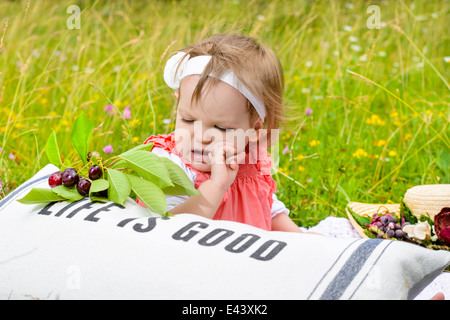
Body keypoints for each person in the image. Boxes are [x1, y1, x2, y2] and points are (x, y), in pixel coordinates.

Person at [137, 34, 302, 233]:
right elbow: (166, 230)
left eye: (221, 128)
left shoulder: (248, 163)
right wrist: (216, 186)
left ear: (255, 130)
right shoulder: (169, 165)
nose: (201, 136)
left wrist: (305, 240)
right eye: (188, 120)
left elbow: (269, 211)